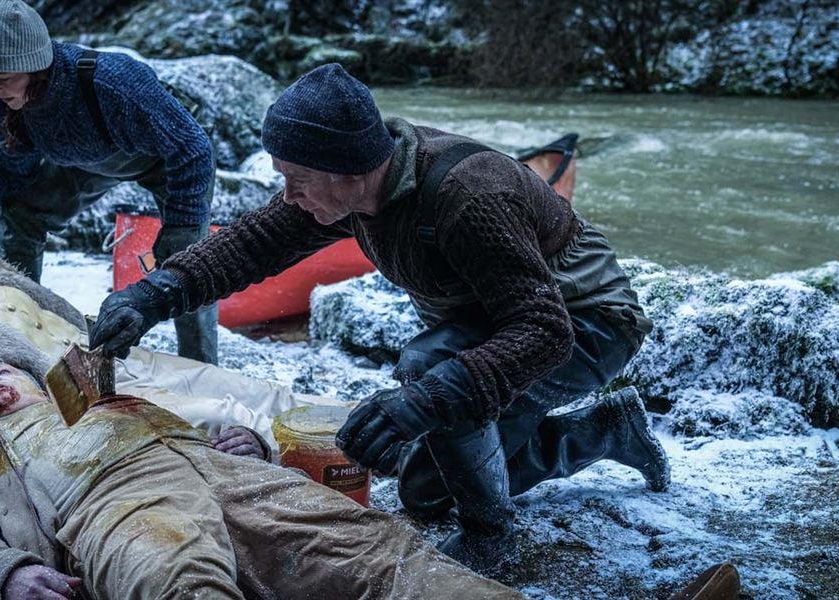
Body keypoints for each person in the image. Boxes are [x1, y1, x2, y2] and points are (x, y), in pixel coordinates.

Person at [86, 64, 670, 573]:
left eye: (297, 180)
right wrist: (155, 294)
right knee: (425, 490)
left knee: (429, 370)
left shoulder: (470, 196)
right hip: (496, 325)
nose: (289, 196)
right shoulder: (351, 188)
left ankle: (493, 536)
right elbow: (252, 244)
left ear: (345, 170)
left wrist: (427, 399)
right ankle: (606, 432)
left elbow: (543, 331)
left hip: (586, 323)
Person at [0, 354, 524, 600]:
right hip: (117, 505)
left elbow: (217, 415)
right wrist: (9, 574)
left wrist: (254, 444)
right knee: (180, 584)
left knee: (377, 549)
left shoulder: (104, 398)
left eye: (3, 370)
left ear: (37, 380)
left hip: (228, 474)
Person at [0, 215, 338, 454]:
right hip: (78, 396)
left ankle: (376, 429)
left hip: (109, 355)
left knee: (256, 390)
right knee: (227, 419)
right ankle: (333, 456)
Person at [0, 0, 218, 364]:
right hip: (77, 164)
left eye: (3, 77)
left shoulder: (112, 81)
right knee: (21, 214)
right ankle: (26, 326)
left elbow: (194, 149)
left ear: (34, 67)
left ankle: (202, 366)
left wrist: (181, 223)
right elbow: (3, 168)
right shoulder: (5, 103)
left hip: (160, 161)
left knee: (187, 261)